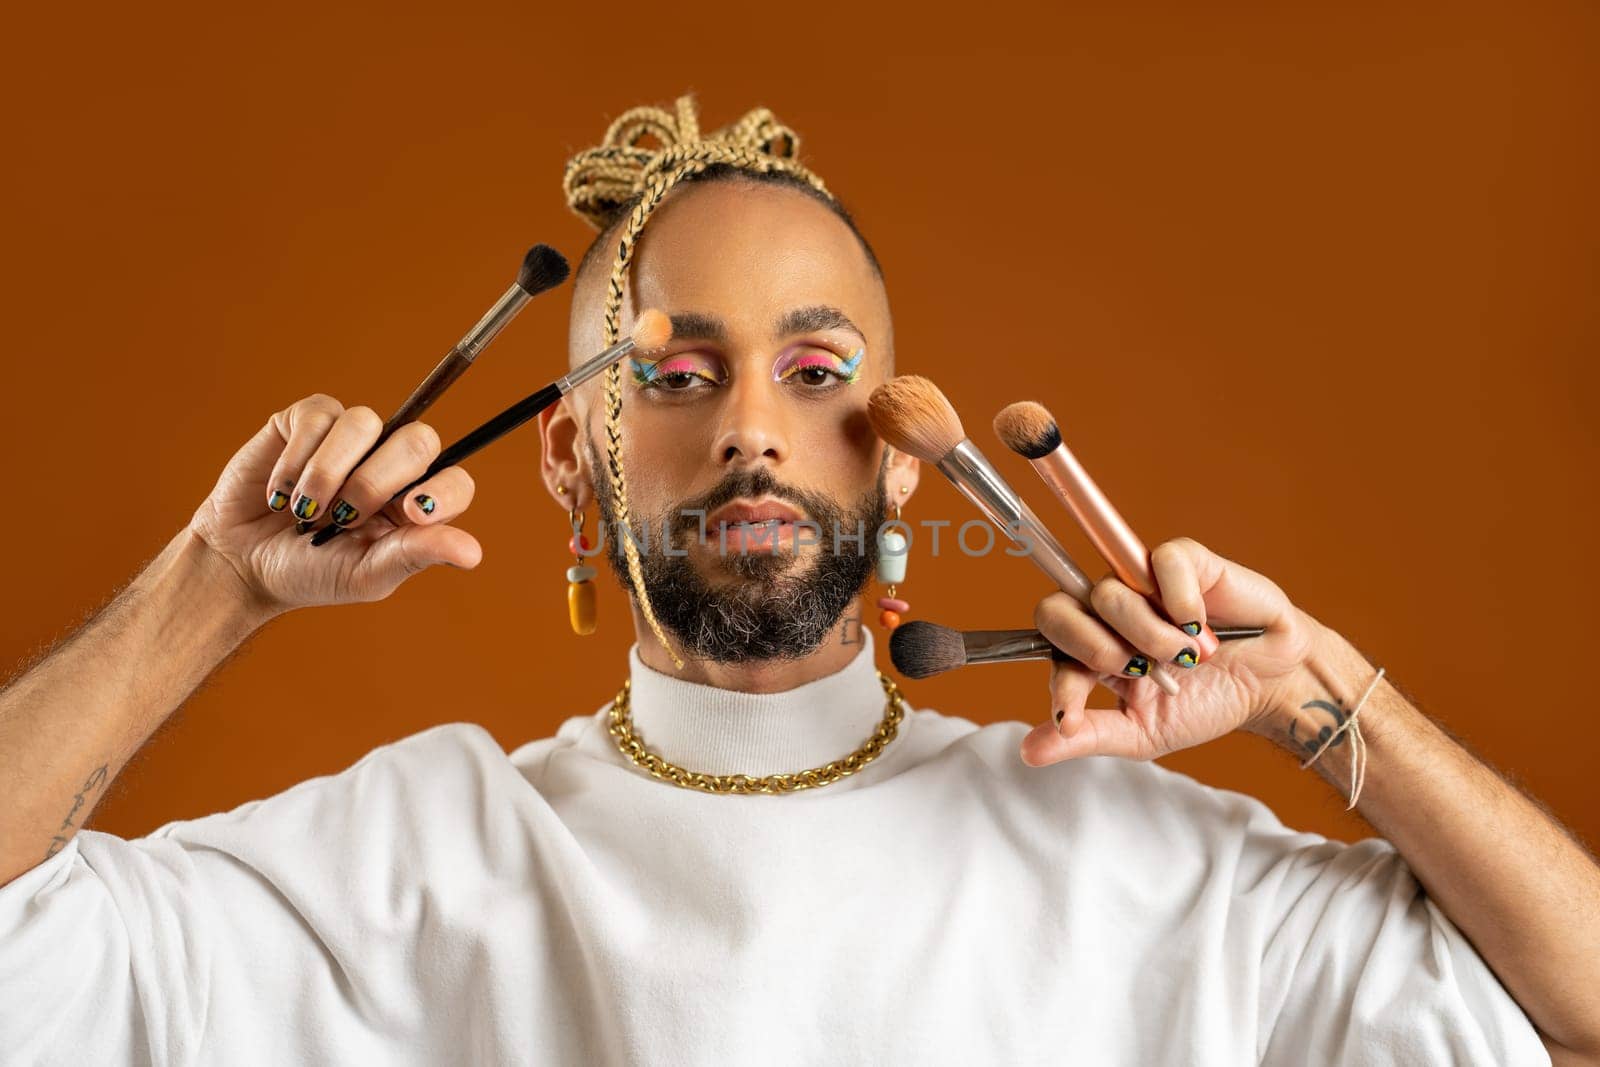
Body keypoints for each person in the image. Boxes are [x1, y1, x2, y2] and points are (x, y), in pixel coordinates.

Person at [1, 95, 1595, 1066]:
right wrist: (211, 583)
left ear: (900, 452)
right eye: (678, 375)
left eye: (818, 370)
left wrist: (1321, 695)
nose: (754, 428)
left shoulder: (1123, 855)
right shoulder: (400, 865)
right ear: (574, 461)